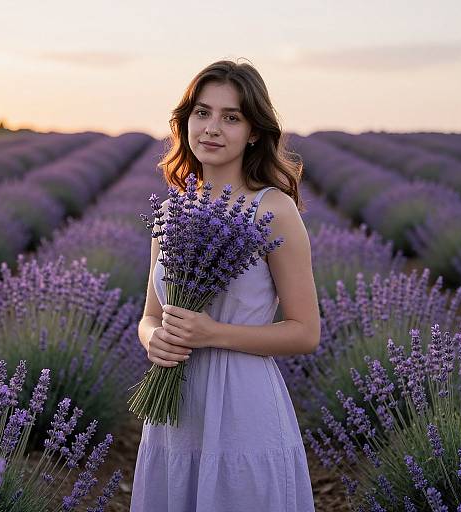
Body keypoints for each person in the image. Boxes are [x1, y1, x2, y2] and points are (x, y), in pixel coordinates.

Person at [130, 58, 320, 511]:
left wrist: (211, 333)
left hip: (243, 405)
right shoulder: (172, 212)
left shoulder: (272, 210)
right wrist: (154, 340)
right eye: (202, 112)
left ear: (254, 131)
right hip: (175, 409)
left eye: (230, 117)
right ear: (186, 121)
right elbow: (150, 316)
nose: (212, 128)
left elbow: (305, 331)